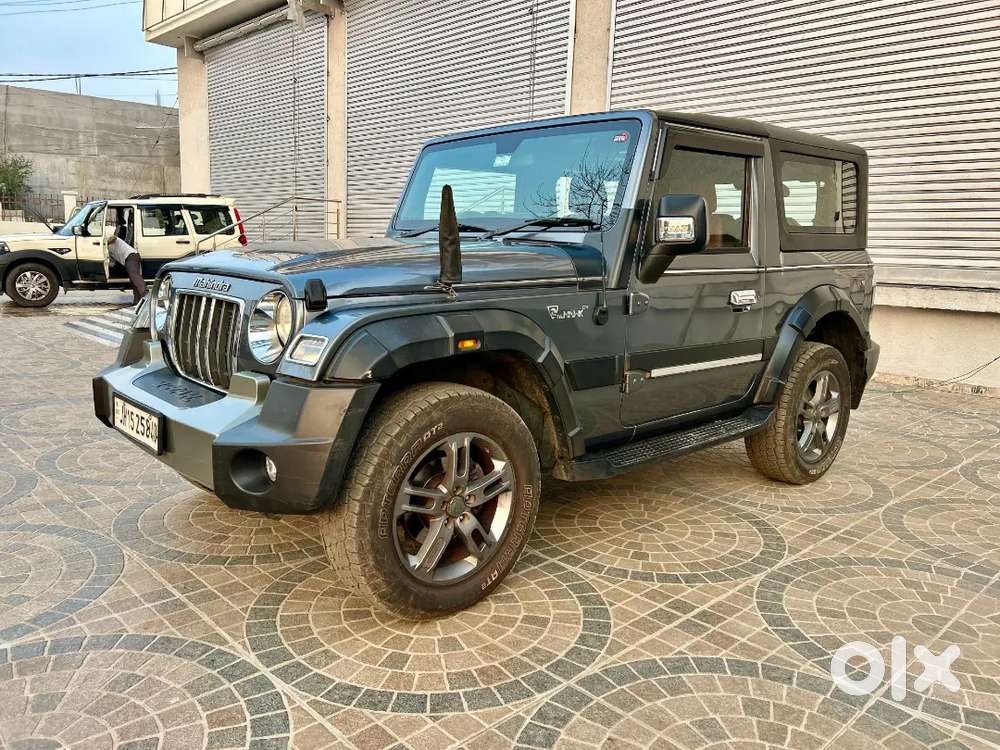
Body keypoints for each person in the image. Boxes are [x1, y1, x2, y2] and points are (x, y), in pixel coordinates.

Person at [105, 223, 146, 306]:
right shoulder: (108, 252)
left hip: (131, 256)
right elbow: (112, 264)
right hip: (128, 259)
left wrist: (104, 243)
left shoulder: (112, 239)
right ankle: (137, 301)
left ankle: (145, 295)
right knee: (133, 281)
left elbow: (114, 237)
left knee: (135, 278)